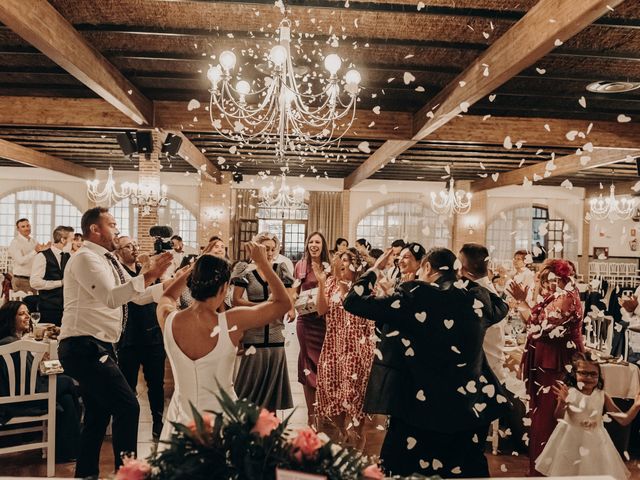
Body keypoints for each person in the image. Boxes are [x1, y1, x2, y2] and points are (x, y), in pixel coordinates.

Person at [343, 247, 509, 478]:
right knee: (461, 472)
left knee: (408, 470)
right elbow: (501, 305)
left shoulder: (412, 299)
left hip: (417, 410)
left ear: (428, 268)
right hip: (466, 410)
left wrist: (375, 269)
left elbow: (353, 301)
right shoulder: (476, 301)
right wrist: (464, 280)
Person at [57, 207, 172, 478]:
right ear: (95, 229)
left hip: (99, 346)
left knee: (97, 417)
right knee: (128, 406)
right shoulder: (86, 257)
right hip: (82, 345)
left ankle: (86, 474)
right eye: (112, 224)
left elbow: (136, 295)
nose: (117, 229)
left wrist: (172, 282)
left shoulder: (109, 259)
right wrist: (148, 275)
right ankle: (127, 473)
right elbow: (110, 297)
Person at [156, 242, 292, 443]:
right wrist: (263, 263)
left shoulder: (168, 317)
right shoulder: (231, 321)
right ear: (224, 287)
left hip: (180, 417)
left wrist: (197, 266)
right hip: (221, 419)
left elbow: (167, 295)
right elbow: (283, 303)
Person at [508, 258, 585, 476]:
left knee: (549, 416)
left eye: (548, 279)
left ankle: (546, 471)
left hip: (555, 362)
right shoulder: (559, 295)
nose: (545, 284)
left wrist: (522, 302)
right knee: (541, 413)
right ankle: (540, 467)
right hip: (546, 359)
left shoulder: (566, 299)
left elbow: (537, 327)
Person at [459, 243, 528, 451]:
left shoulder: (477, 295)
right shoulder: (487, 291)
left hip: (480, 374)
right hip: (488, 371)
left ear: (463, 267)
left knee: (469, 443)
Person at [536, 352, 640, 479]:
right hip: (570, 442)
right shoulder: (569, 392)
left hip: (596, 444)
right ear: (575, 373)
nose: (589, 378)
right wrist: (562, 403)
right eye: (583, 373)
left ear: (599, 376)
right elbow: (558, 417)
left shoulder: (602, 395)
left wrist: (636, 406)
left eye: (593, 374)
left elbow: (624, 420)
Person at [0, 301, 81, 463]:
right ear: (10, 318)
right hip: (22, 399)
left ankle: (68, 451)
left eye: (28, 312)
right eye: (22, 313)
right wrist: (45, 364)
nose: (28, 316)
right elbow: (33, 376)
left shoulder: (8, 341)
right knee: (69, 383)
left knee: (65, 399)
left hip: (16, 395)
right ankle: (72, 446)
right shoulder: (13, 344)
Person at [315, 248, 375, 448]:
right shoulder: (330, 283)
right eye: (340, 259)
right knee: (333, 395)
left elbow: (367, 317)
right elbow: (321, 310)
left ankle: (357, 442)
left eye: (347, 260)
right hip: (333, 346)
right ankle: (343, 434)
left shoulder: (363, 286)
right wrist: (322, 283)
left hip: (357, 349)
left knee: (354, 397)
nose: (342, 263)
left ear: (357, 264)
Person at [230, 232, 294, 412]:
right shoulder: (244, 269)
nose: (270, 253)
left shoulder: (281, 268)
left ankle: (269, 430)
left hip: (276, 333)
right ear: (257, 249)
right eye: (266, 249)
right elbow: (236, 300)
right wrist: (264, 308)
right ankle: (245, 425)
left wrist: (290, 307)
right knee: (249, 385)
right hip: (254, 332)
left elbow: (290, 296)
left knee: (273, 389)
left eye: (273, 249)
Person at [114, 236, 165, 441]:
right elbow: (135, 293)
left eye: (135, 245)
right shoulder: (118, 272)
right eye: (128, 246)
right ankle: (128, 427)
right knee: (128, 385)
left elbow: (158, 291)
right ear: (118, 251)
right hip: (129, 335)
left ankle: (158, 422)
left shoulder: (146, 268)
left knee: (156, 383)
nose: (134, 248)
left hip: (152, 332)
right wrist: (147, 268)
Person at [294, 231, 330, 425]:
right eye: (311, 242)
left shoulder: (329, 267)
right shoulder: (300, 265)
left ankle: (323, 409)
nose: (313, 245)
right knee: (307, 363)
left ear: (323, 246)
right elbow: (296, 290)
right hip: (306, 321)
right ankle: (311, 413)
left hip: (324, 320)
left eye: (317, 242)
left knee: (324, 364)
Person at [29, 226, 72, 326]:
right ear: (63, 240)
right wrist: (60, 283)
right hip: (48, 308)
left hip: (66, 308)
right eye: (72, 239)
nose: (74, 242)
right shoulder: (42, 256)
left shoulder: (68, 256)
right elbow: (34, 282)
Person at [8, 218, 49, 294]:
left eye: (28, 225)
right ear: (18, 229)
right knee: (23, 305)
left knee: (34, 304)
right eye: (23, 227)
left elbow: (39, 256)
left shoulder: (34, 241)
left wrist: (45, 249)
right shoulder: (15, 242)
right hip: (21, 280)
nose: (27, 228)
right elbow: (21, 261)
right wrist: (35, 251)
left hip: (34, 279)